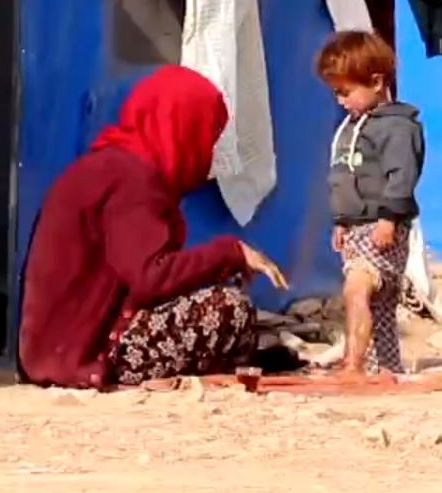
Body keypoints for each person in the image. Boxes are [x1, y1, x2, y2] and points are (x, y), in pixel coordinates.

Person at [18, 66, 288, 389]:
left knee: (222, 300)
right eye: (207, 136)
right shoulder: (134, 180)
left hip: (58, 347)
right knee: (229, 309)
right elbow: (150, 277)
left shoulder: (115, 166)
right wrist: (231, 252)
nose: (209, 151)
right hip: (86, 350)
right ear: (183, 128)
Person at [317, 31, 425, 375]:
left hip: (382, 227)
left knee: (357, 290)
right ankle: (385, 367)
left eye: (346, 92)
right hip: (358, 229)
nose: (340, 101)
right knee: (376, 303)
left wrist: (389, 219)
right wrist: (341, 220)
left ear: (377, 82)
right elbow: (345, 177)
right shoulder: (352, 128)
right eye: (336, 93)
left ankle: (353, 364)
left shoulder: (396, 128)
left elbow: (402, 175)